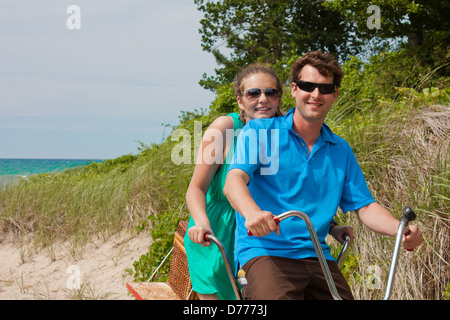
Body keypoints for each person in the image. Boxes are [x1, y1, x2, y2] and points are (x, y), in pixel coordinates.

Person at [224, 51, 423, 300]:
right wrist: (252, 213)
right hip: (266, 251)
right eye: (308, 86)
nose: (316, 95)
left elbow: (366, 207)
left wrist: (400, 229)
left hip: (317, 255)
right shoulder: (260, 132)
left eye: (325, 88)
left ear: (334, 95)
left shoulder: (340, 149)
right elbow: (234, 182)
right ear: (295, 89)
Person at [184, 63, 352, 300]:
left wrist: (332, 227)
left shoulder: (287, 132)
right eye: (253, 93)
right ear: (240, 101)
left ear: (280, 97)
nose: (262, 99)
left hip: (263, 232)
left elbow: (294, 193)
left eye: (270, 92)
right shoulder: (225, 128)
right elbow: (196, 188)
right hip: (217, 228)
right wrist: (201, 223)